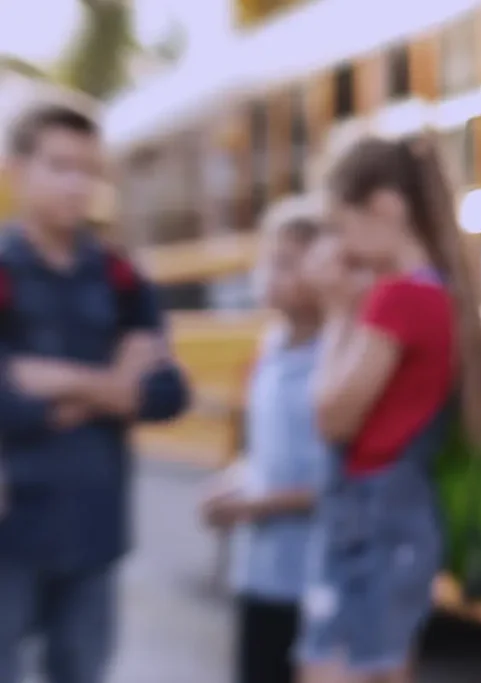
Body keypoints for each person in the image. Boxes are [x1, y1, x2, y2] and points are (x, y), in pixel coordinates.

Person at [0, 104, 189, 683]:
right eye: (59, 165)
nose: (75, 183)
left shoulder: (120, 277)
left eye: (88, 169)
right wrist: (111, 385)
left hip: (93, 527)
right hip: (11, 526)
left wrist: (52, 381)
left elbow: (165, 392)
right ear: (16, 170)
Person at [297, 133, 481, 683]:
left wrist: (337, 313)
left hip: (370, 518)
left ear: (385, 207)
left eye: (340, 226)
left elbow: (330, 417)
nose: (340, 248)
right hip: (402, 515)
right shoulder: (446, 294)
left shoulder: (397, 298)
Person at [201, 196, 329, 683]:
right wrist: (232, 486)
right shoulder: (272, 346)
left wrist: (253, 506)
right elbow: (264, 453)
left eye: (287, 264)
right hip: (259, 571)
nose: (268, 275)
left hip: (314, 577)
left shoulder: (334, 357)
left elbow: (335, 481)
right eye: (268, 260)